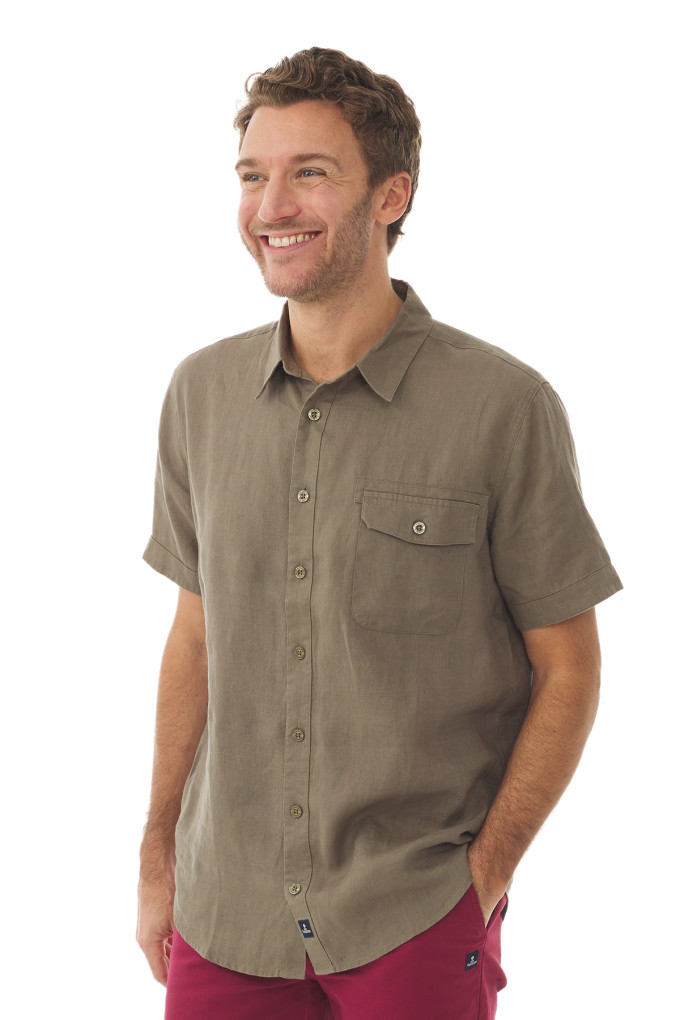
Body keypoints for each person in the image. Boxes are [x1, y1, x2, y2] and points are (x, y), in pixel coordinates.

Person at [137, 46, 622, 1020]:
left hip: (412, 914)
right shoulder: (200, 394)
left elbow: (567, 666)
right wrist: (156, 851)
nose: (271, 205)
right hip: (225, 913)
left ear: (391, 195)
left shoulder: (501, 406)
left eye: (309, 172)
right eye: (252, 176)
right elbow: (195, 637)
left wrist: (483, 876)